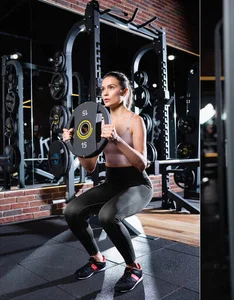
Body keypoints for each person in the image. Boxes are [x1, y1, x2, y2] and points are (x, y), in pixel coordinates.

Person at [62, 71, 153, 293]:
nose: (105, 93)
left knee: (107, 215)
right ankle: (97, 259)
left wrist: (117, 140)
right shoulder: (96, 122)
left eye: (111, 88)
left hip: (137, 184)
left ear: (124, 91)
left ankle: (133, 268)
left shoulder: (135, 120)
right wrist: (75, 144)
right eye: (102, 89)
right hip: (112, 182)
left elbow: (142, 163)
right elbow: (90, 166)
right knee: (72, 211)